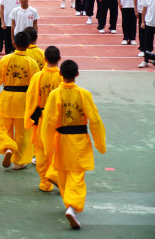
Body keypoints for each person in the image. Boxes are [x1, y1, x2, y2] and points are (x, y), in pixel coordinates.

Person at [41, 60, 106, 230]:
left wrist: (47, 146)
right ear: (77, 74)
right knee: (77, 175)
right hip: (79, 140)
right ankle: (72, 206)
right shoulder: (84, 94)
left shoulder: (55, 94)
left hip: (61, 139)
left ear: (60, 74)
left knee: (63, 174)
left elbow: (48, 121)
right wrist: (100, 143)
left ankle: (69, 204)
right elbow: (95, 120)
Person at [0, 31, 39, 170]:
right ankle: (18, 162)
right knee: (22, 132)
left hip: (6, 95)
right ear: (29, 44)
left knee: (3, 127)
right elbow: (35, 85)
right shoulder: (31, 62)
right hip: (23, 99)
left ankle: (7, 146)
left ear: (13, 43)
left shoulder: (5, 59)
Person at [24, 45, 62, 192]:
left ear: (44, 59)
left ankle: (45, 182)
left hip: (41, 117)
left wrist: (29, 117)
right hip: (58, 118)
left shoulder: (38, 76)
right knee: (57, 148)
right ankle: (54, 173)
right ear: (59, 59)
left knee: (40, 150)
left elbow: (31, 97)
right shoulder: (62, 76)